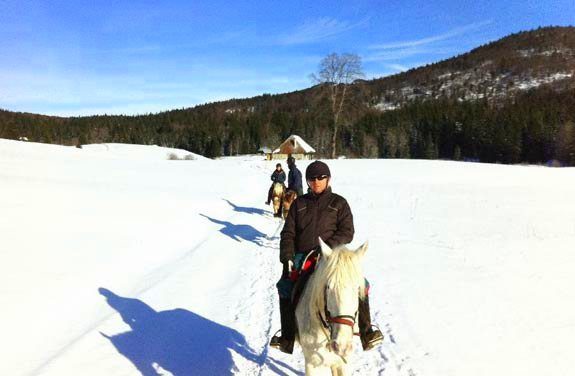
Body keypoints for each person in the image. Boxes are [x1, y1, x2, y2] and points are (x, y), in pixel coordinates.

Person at [270, 160, 383, 354]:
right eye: (312, 178)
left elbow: (347, 232)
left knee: (361, 284)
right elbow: (288, 233)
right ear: (307, 181)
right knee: (285, 287)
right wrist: (287, 256)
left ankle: (366, 332)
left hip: (332, 257)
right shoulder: (299, 204)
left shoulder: (339, 203)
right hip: (303, 256)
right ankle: (287, 338)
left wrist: (328, 247)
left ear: (328, 179)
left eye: (321, 177)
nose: (316, 181)